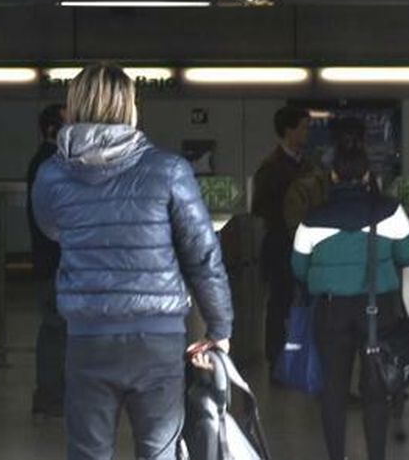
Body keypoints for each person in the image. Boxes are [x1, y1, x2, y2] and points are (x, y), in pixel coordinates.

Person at [32, 64, 233, 460]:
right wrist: (220, 325)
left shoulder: (52, 175)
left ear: (73, 107)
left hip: (88, 337)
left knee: (88, 453)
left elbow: (51, 228)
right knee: (160, 452)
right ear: (131, 108)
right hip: (156, 339)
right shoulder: (169, 170)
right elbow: (202, 255)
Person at [293, 139, 409, 460]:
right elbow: (407, 255)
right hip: (378, 310)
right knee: (375, 389)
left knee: (334, 390)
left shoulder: (312, 217)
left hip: (331, 311)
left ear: (332, 176)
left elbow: (299, 268)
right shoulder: (389, 210)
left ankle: (338, 456)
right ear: (367, 176)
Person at [252, 104, 312, 369]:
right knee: (280, 302)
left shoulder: (307, 165)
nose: (308, 132)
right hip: (281, 246)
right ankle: (276, 359)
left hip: (305, 245)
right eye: (304, 127)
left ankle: (301, 357)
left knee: (303, 302)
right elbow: (261, 209)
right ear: (289, 130)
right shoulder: (271, 168)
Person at [26, 103, 68, 419]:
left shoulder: (42, 163)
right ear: (54, 130)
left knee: (56, 328)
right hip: (57, 263)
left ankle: (53, 394)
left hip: (48, 262)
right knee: (57, 328)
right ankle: (53, 396)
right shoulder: (51, 166)